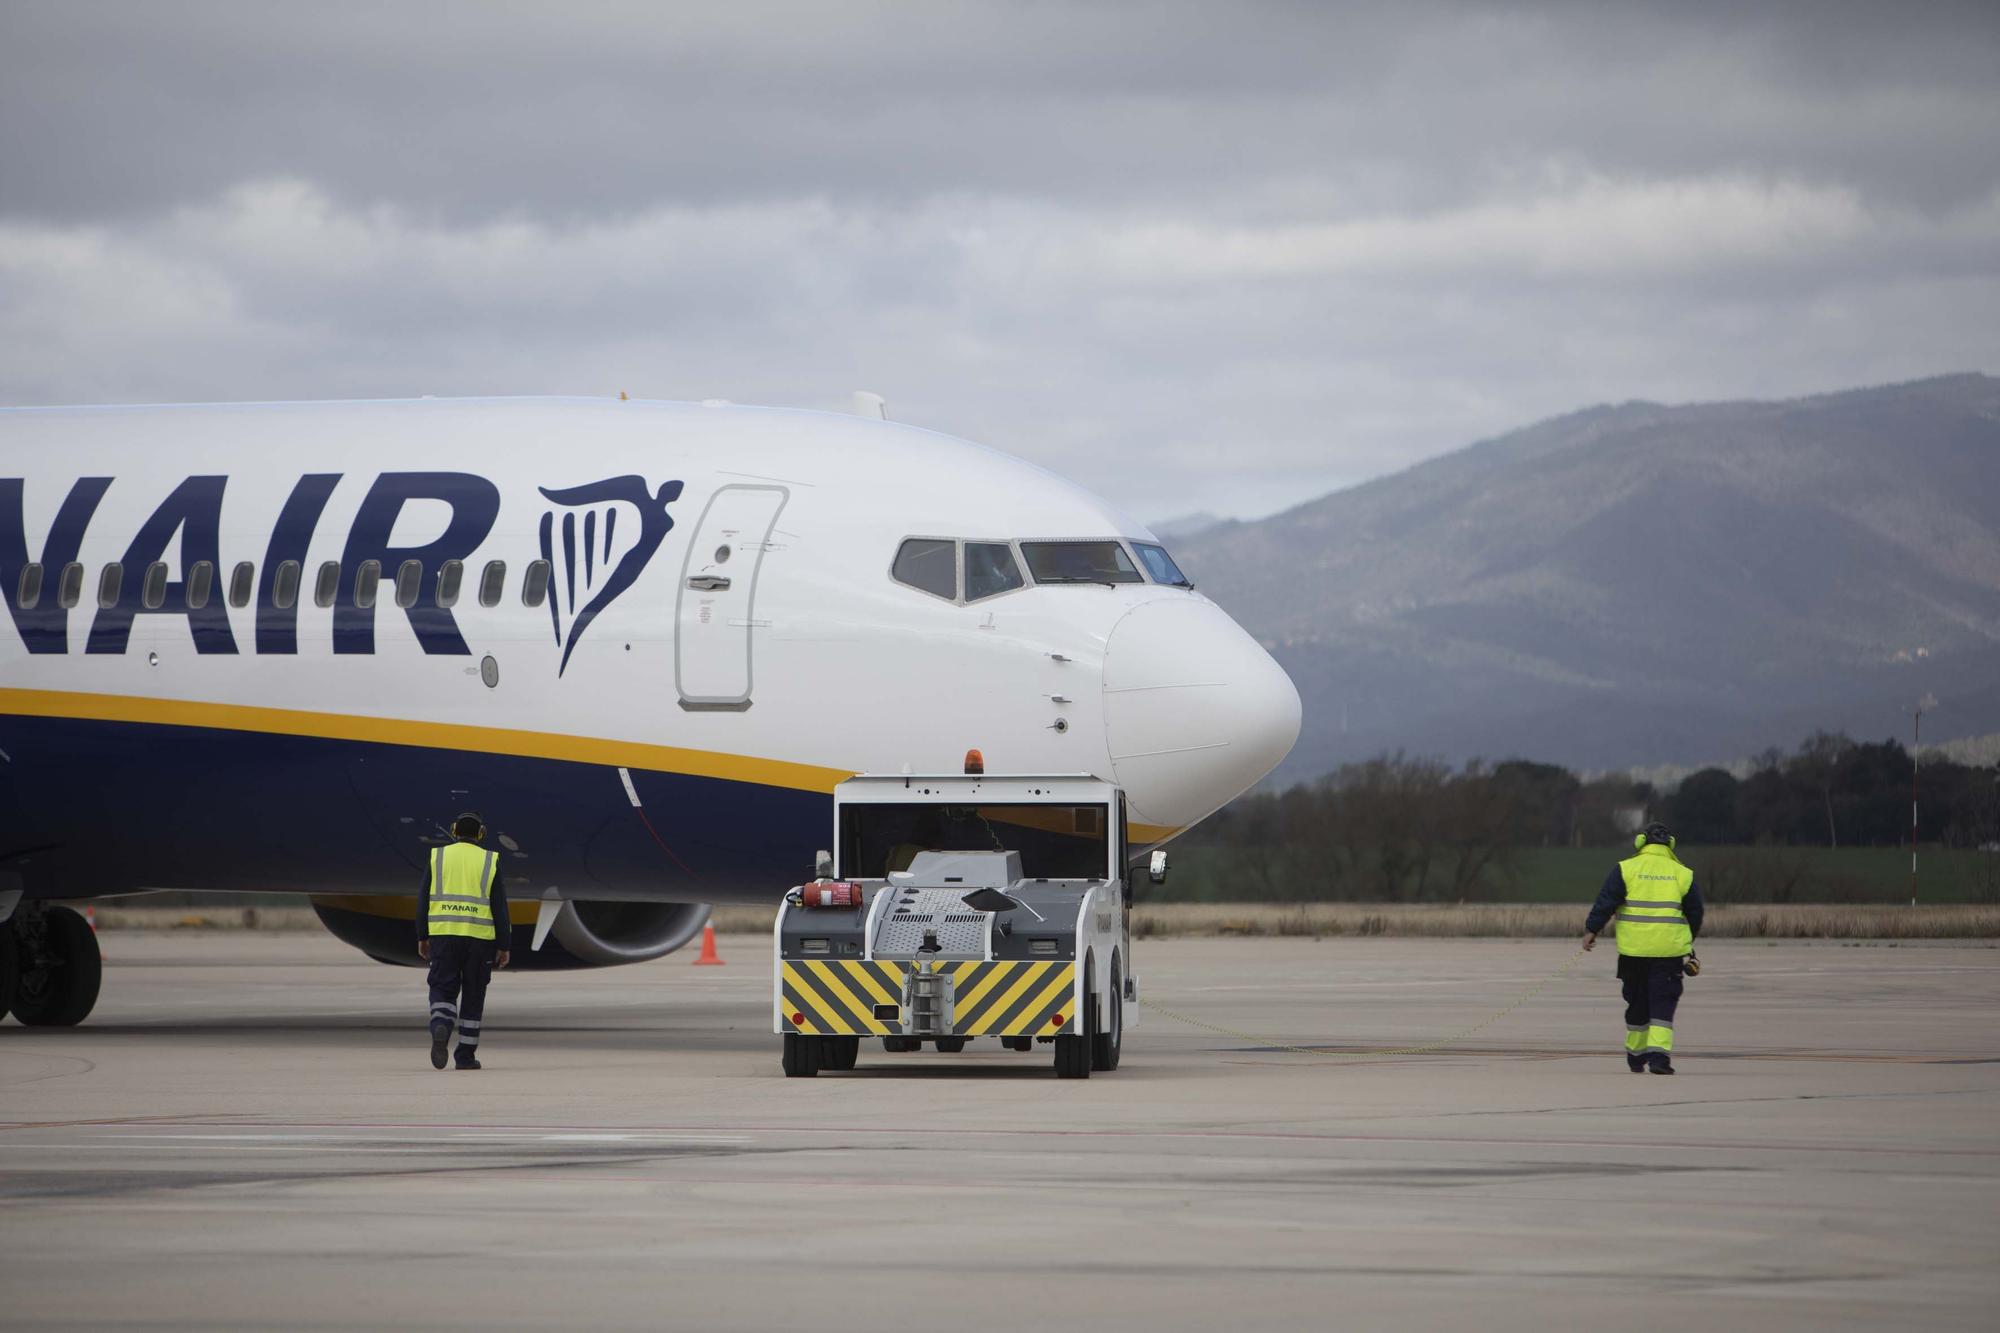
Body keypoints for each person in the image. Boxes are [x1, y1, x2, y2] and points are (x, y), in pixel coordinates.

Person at [1582, 821, 1704, 1075]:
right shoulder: (1683, 873)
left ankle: (1635, 1057)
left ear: (1640, 842)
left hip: (1632, 952)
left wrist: (1592, 930)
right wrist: (1686, 940)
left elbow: (1606, 902)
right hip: (1668, 953)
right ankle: (1659, 1059)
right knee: (1662, 1004)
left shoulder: (1626, 869)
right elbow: (1695, 913)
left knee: (1636, 1004)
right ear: (1670, 844)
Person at [417, 812, 511, 1070]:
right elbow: (500, 907)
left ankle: (441, 1025)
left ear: (455, 830)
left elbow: (423, 899)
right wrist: (504, 945)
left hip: (444, 935)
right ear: (481, 834)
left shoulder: (438, 857)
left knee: (442, 986)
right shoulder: (489, 860)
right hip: (479, 940)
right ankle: (465, 1056)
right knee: (473, 994)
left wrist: (422, 936)